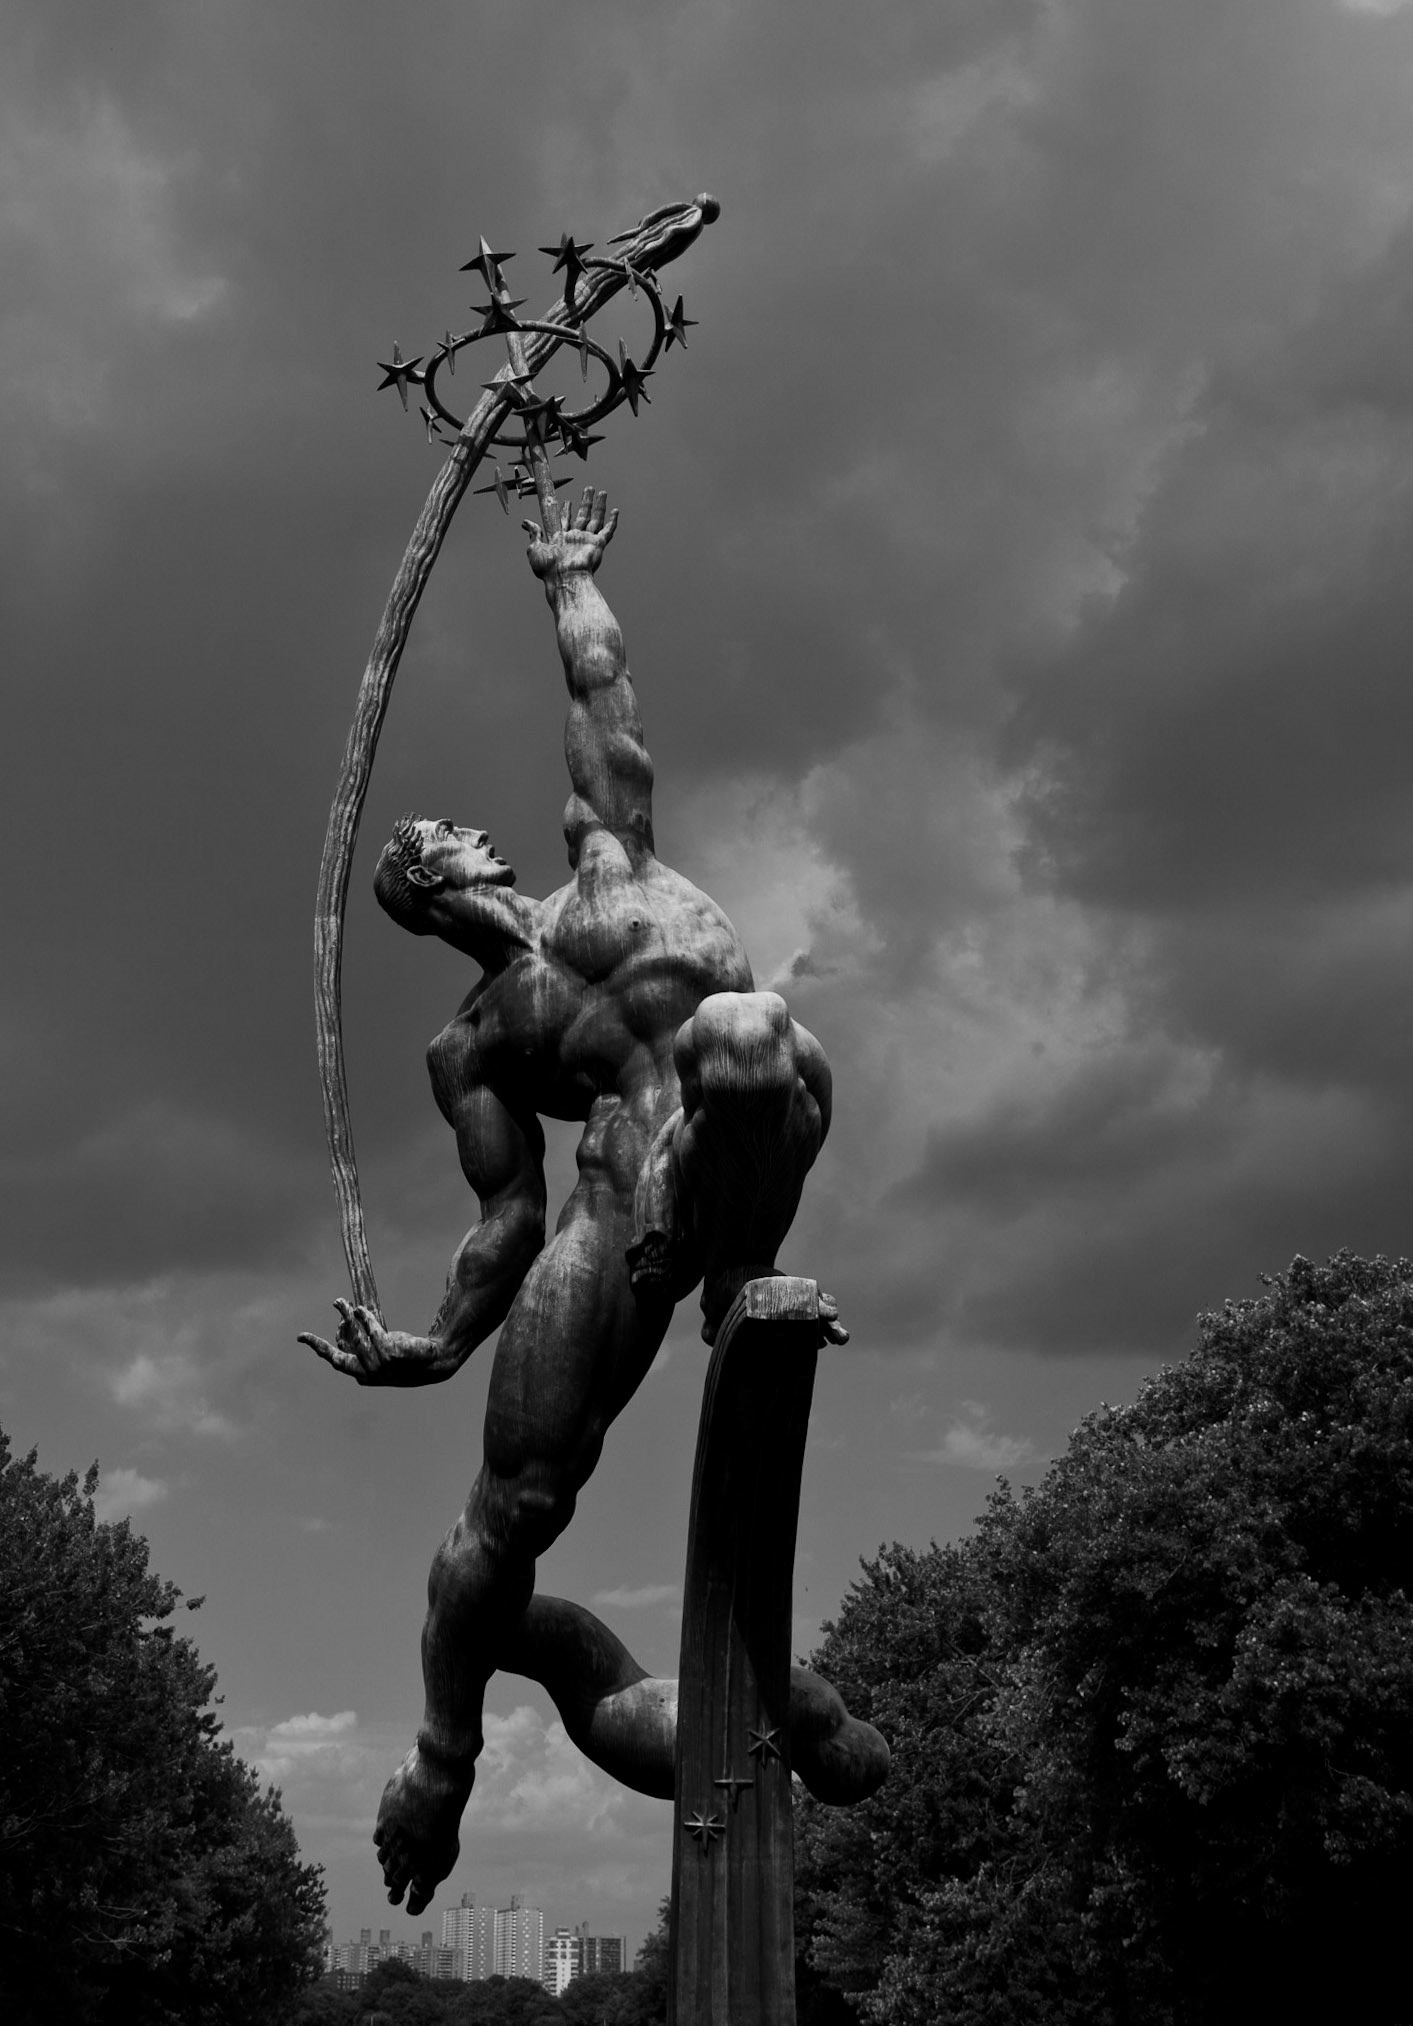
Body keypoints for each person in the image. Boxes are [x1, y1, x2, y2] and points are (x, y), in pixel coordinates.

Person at [301, 488, 839, 1915]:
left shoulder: (612, 872)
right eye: (440, 839)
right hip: (624, 1213)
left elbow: (604, 692)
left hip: (748, 1128)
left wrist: (566, 575)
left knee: (742, 1034)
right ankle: (449, 1746)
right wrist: (431, 1341)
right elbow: (506, 1222)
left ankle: (741, 1271)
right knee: (504, 1510)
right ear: (427, 886)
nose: (472, 835)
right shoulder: (470, 1043)